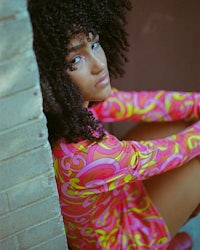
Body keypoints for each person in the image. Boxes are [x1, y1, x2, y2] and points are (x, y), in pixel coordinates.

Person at [28, 0, 200, 249]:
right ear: (49, 76)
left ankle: (173, 227)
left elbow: (151, 104)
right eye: (76, 59)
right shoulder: (89, 157)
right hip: (122, 239)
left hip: (118, 200)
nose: (99, 65)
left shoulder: (74, 112)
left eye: (95, 44)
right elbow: (171, 152)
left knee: (181, 122)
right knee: (195, 161)